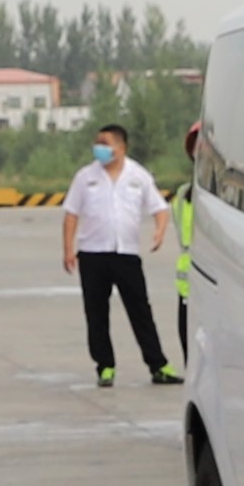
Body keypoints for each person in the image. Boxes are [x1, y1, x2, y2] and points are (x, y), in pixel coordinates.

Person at [58, 119, 173, 386]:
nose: (99, 148)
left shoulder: (138, 176)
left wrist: (159, 231)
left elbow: (160, 208)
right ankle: (105, 366)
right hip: (92, 254)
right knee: (96, 313)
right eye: (97, 143)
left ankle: (158, 365)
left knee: (140, 311)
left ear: (121, 147)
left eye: (105, 143)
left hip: (126, 254)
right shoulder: (85, 177)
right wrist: (68, 249)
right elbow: (71, 214)